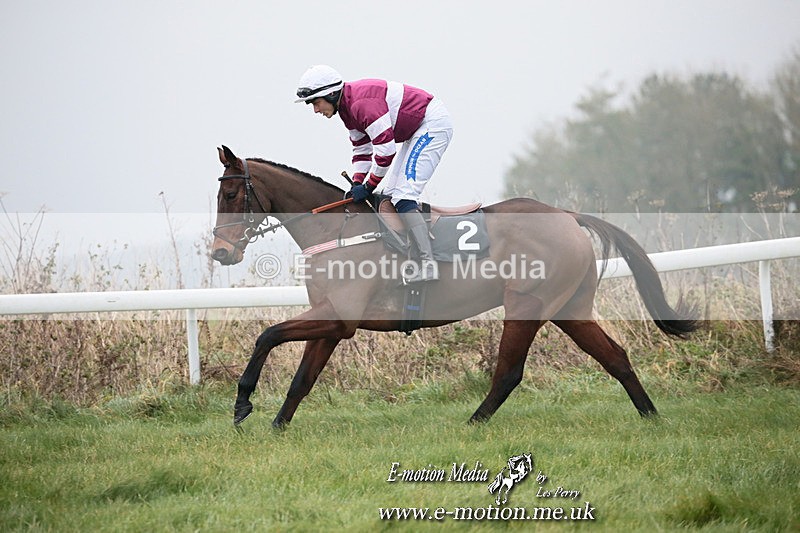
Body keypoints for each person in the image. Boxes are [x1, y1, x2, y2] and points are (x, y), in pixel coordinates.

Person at [294, 65, 453, 282]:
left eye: (315, 102)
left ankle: (428, 264)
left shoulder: (361, 104)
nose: (315, 109)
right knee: (391, 195)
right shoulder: (346, 109)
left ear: (331, 94)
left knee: (404, 196)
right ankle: (410, 256)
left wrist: (368, 186)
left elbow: (386, 151)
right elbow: (362, 150)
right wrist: (357, 183)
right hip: (415, 130)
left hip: (431, 124)